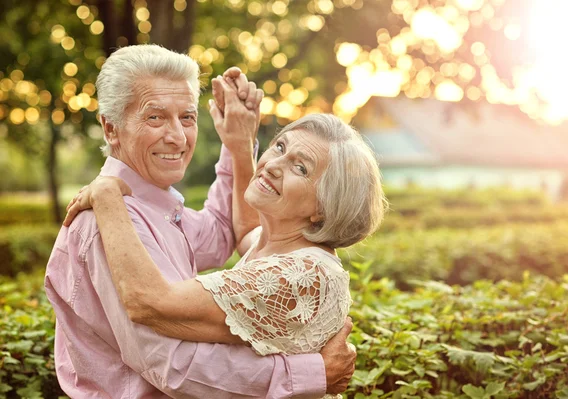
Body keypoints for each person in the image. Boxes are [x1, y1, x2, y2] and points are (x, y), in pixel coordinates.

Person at [45, 44, 357, 399]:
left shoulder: (155, 208)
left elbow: (223, 233)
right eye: (155, 117)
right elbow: (172, 364)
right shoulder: (110, 221)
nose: (178, 137)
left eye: (188, 118)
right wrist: (312, 373)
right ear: (111, 128)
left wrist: (238, 144)